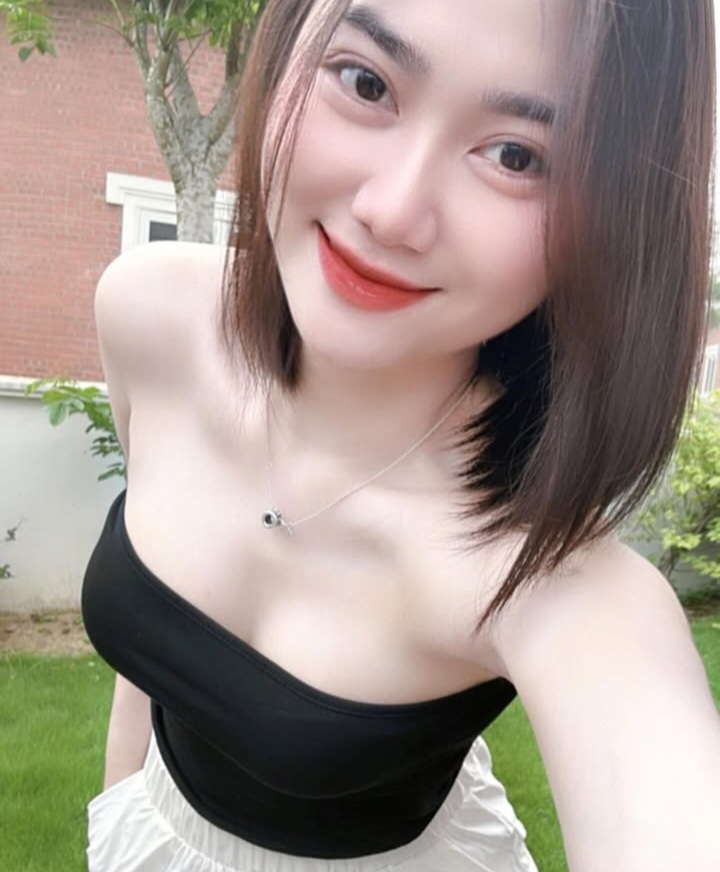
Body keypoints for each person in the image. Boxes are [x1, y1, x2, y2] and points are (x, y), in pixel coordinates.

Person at [81, 0, 720, 870]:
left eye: (517, 157)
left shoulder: (548, 582)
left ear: (611, 224)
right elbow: (154, 665)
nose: (392, 211)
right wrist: (120, 810)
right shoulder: (150, 316)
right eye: (365, 82)